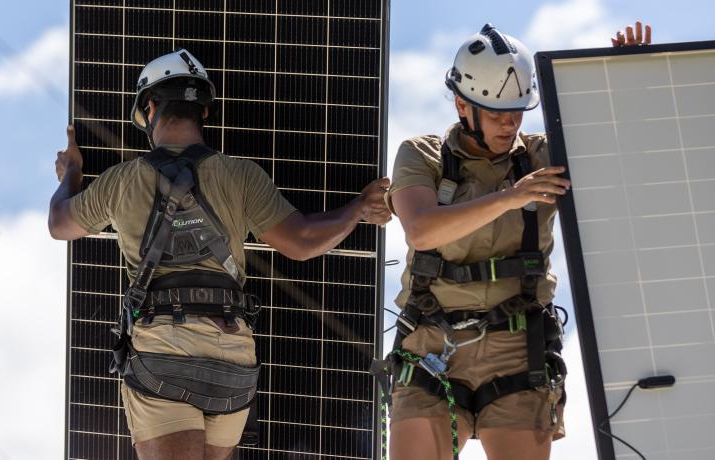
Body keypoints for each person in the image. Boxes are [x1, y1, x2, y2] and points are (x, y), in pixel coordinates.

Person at [48, 49, 392, 460]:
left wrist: (71, 174)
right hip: (233, 360)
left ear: (151, 107)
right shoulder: (241, 174)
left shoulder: (120, 182)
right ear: (204, 112)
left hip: (163, 353)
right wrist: (357, 209)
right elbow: (301, 242)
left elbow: (59, 225)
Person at [382, 22, 652, 460]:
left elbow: (624, 156)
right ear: (461, 105)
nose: (509, 124)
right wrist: (514, 196)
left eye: (517, 113)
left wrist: (628, 77)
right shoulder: (422, 154)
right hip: (430, 341)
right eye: (495, 114)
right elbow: (422, 229)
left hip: (517, 345)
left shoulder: (545, 157)